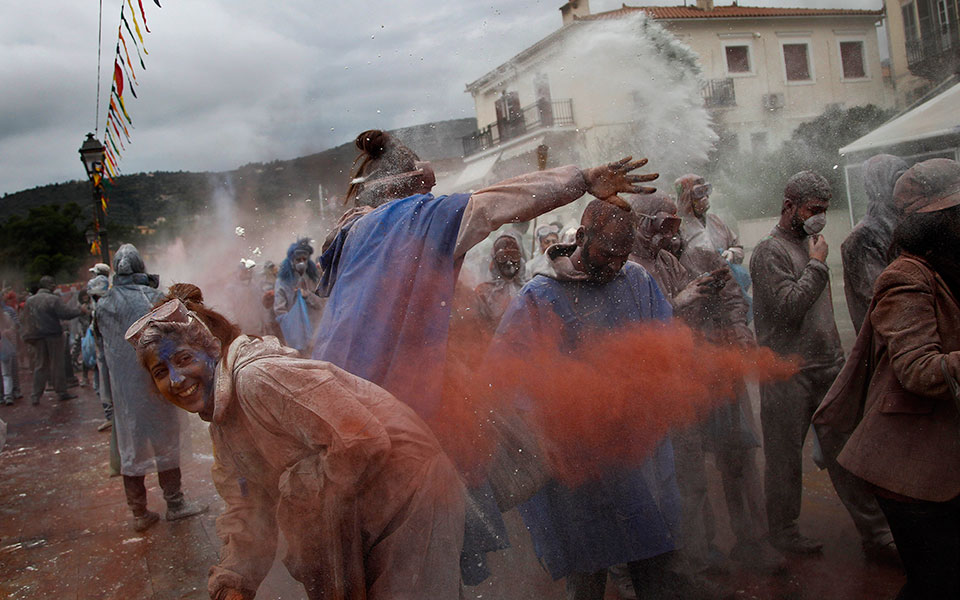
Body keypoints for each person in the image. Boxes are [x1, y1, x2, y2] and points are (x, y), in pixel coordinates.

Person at [125, 285, 466, 600]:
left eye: (184, 359)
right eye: (160, 372)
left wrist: (295, 488)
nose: (176, 379)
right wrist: (234, 579)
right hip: (370, 509)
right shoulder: (223, 427)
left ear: (211, 349)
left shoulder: (257, 378)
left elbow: (361, 439)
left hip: (412, 491)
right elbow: (248, 505)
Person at [490, 200, 703, 600]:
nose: (615, 267)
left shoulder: (636, 280)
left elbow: (665, 340)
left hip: (635, 449)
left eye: (623, 256)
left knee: (653, 551)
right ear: (582, 238)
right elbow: (507, 373)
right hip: (578, 457)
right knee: (588, 562)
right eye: (607, 254)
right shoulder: (541, 294)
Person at [815, 158, 960, 599]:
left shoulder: (948, 266)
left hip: (942, 454)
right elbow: (918, 368)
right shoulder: (905, 275)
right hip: (909, 466)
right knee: (936, 583)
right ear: (939, 221)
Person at [627, 193, 783, 576]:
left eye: (674, 225)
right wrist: (677, 302)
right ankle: (678, 565)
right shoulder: (628, 267)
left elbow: (716, 294)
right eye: (661, 226)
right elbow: (633, 329)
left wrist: (726, 322)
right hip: (658, 389)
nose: (670, 236)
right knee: (668, 481)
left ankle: (707, 554)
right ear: (640, 223)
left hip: (695, 377)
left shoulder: (670, 259)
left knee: (698, 473)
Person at [749, 171, 894, 559]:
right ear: (789, 205)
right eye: (814, 209)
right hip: (788, 371)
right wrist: (816, 265)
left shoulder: (813, 243)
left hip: (828, 366)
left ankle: (877, 534)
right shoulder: (770, 251)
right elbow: (787, 310)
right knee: (784, 459)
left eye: (825, 210)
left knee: (846, 453)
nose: (820, 217)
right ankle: (783, 531)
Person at [95, 244, 206, 531]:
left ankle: (139, 513)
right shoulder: (153, 298)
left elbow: (100, 353)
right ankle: (176, 503)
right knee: (166, 441)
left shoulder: (103, 304)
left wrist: (107, 397)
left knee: (130, 449)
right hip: (156, 387)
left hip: (123, 395)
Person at [841, 154, 909, 333]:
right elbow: (882, 299)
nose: (904, 188)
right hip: (886, 345)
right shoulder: (863, 237)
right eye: (897, 181)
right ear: (878, 186)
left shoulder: (903, 225)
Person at [21, 276, 85, 404]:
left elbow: (24, 319)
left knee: (40, 365)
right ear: (48, 285)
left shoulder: (30, 301)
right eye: (52, 283)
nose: (54, 285)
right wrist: (80, 310)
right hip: (53, 335)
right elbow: (66, 313)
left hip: (37, 336)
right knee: (57, 364)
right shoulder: (53, 299)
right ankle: (61, 391)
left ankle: (35, 395)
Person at [274, 238, 323, 356]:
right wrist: (292, 327)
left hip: (315, 330)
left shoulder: (313, 279)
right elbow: (280, 310)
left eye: (304, 259)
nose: (301, 262)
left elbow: (322, 304)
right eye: (298, 259)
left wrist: (308, 295)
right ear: (292, 261)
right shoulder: (283, 281)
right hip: (294, 335)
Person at [474, 232, 527, 330]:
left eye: (514, 255)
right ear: (494, 261)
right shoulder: (483, 292)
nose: (509, 262)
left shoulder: (528, 290)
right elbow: (479, 327)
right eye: (502, 257)